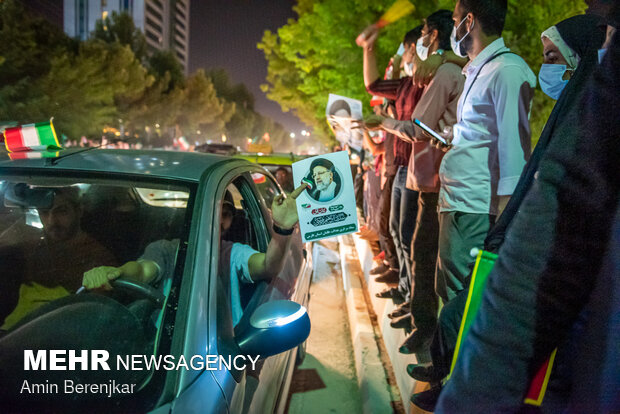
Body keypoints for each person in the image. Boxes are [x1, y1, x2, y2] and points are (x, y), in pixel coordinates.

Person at [408, 14, 607, 411]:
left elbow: (516, 153)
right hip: (468, 201)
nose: (545, 68)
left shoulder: (509, 72)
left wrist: (504, 219)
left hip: (487, 210)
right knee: (457, 301)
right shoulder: (566, 107)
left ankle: (459, 385)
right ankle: (450, 380)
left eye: (553, 57)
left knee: (475, 309)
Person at [363, 10, 466, 355]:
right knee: (416, 248)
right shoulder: (443, 70)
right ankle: (425, 324)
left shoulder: (449, 72)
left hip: (437, 179)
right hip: (429, 177)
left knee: (427, 257)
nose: (415, 45)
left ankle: (432, 337)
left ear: (434, 36)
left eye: (423, 33)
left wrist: (383, 122)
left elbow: (420, 129)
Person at [83, 184, 306, 327]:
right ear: (194, 216)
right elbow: (141, 270)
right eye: (210, 213)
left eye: (225, 215)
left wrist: (282, 230)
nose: (217, 221)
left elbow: (268, 266)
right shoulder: (166, 250)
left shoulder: (231, 252)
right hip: (166, 345)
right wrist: (117, 273)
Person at [432, 0, 536, 304]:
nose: (453, 29)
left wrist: (503, 229)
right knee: (450, 297)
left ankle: (457, 354)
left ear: (469, 21)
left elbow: (514, 152)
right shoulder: (480, 70)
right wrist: (454, 137)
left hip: (476, 210)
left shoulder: (507, 70)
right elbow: (481, 132)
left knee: (461, 304)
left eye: (454, 21)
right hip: (458, 204)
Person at [359, 26, 424, 302]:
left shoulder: (431, 82)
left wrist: (384, 122)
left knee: (409, 237)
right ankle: (405, 290)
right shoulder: (406, 85)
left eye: (407, 50)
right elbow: (373, 85)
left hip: (418, 169)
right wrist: (368, 49)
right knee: (397, 231)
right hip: (399, 166)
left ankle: (414, 300)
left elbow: (418, 130)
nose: (405, 56)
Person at [1, 187, 117, 330]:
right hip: (12, 334)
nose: (52, 221)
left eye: (61, 211)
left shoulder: (99, 258)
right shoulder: (29, 246)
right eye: (44, 212)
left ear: (79, 211)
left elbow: (92, 318)